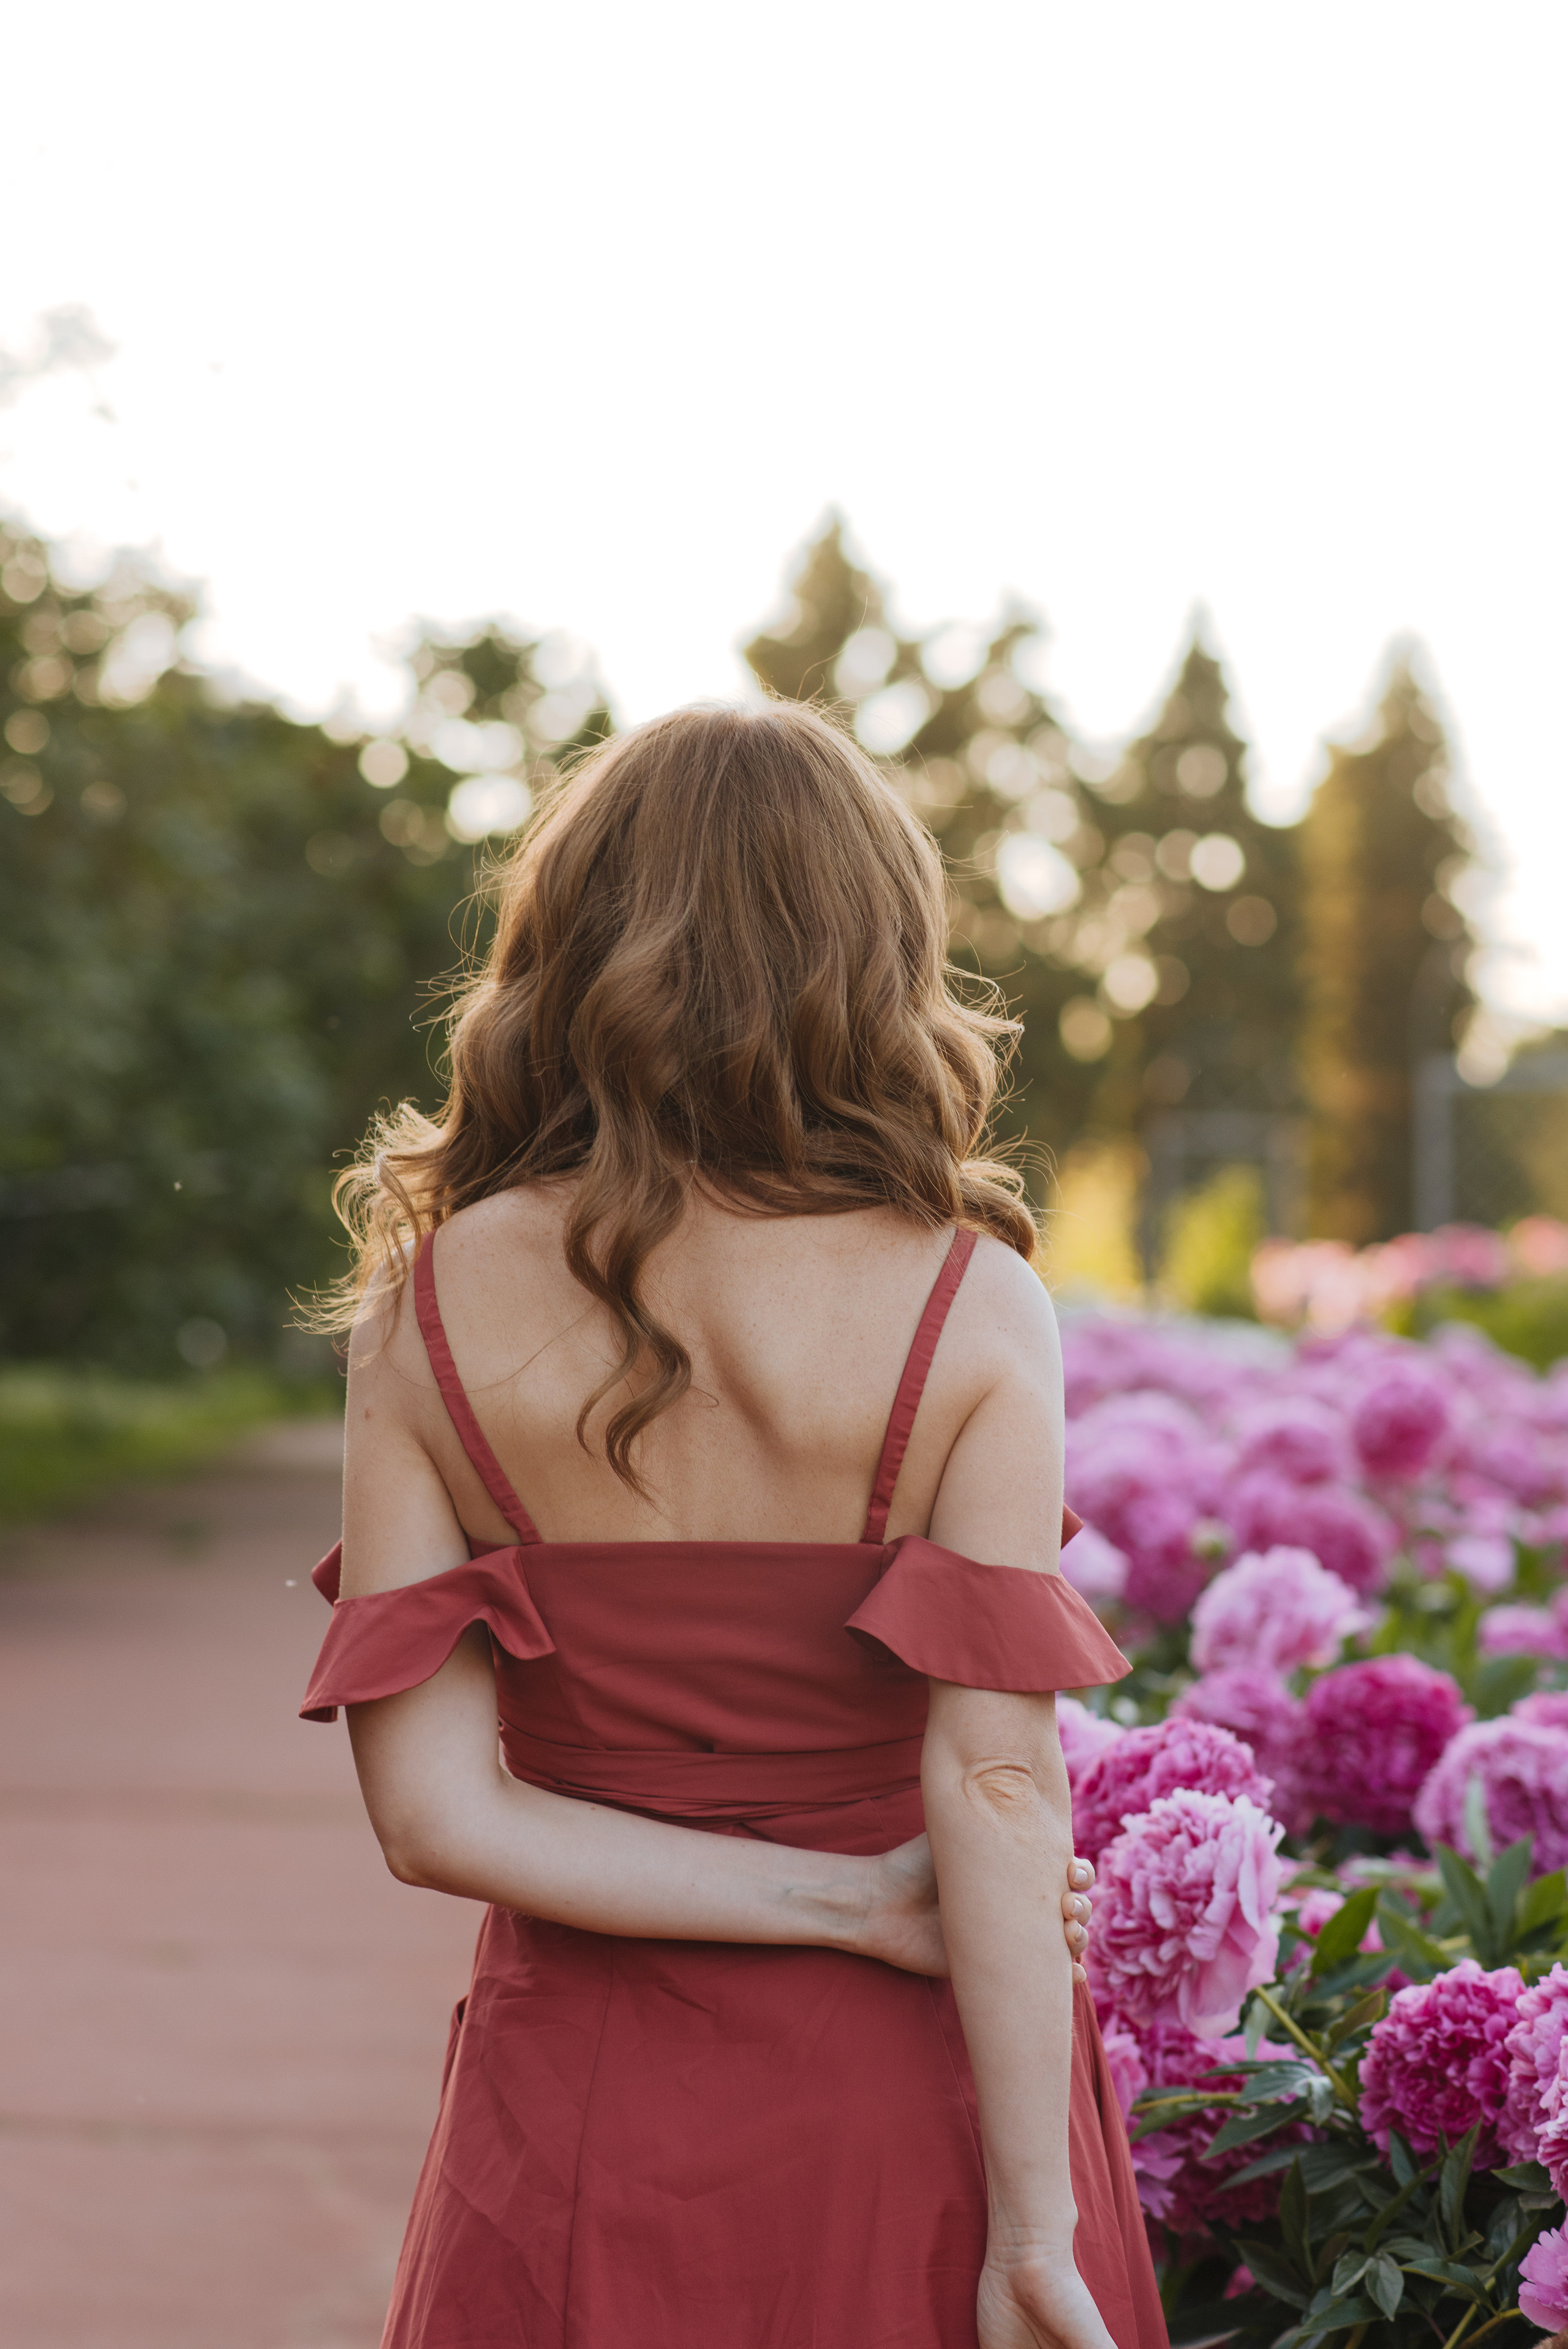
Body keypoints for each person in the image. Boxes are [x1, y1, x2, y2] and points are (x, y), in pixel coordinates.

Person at [301, 700, 1166, 2349]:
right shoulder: (972, 1307)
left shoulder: (427, 1312)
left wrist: (848, 1899)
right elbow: (993, 1780)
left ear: (561, 951)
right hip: (915, 2100)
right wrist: (1035, 2232)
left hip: (579, 2106)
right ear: (877, 952)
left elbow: (431, 1816)